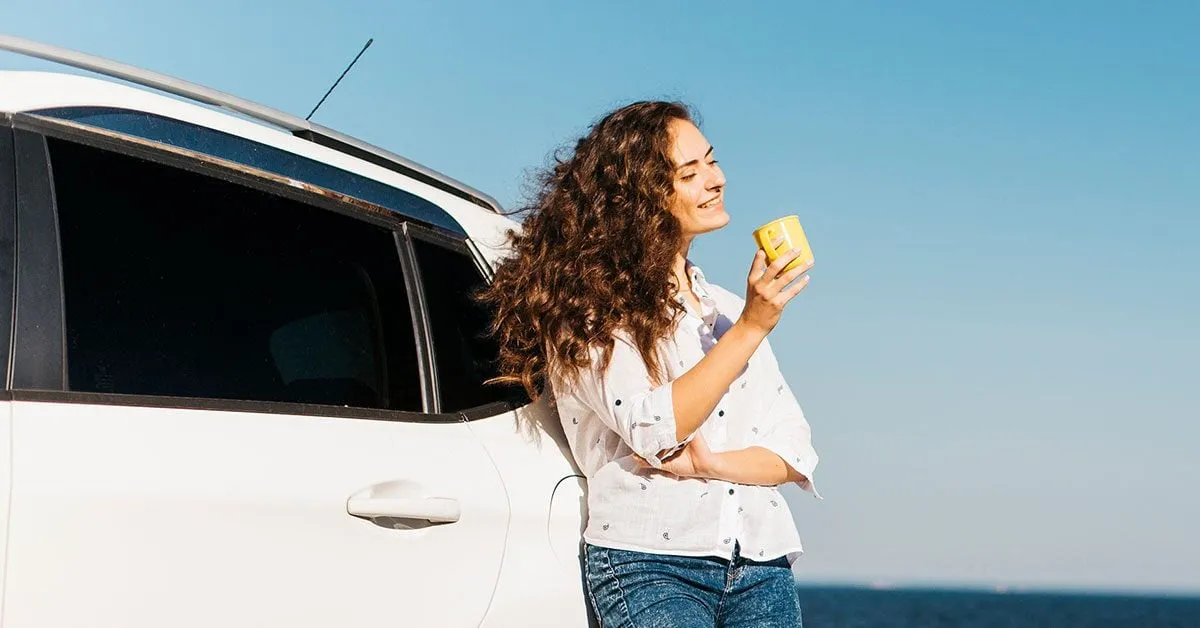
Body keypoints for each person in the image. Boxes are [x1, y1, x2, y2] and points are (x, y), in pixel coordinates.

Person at [479, 101, 820, 627]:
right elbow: (654, 427)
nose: (717, 179)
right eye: (691, 172)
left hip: (761, 562)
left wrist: (709, 464)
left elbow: (794, 451)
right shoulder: (591, 307)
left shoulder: (728, 307)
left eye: (711, 161)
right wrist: (753, 327)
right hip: (651, 562)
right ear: (640, 198)